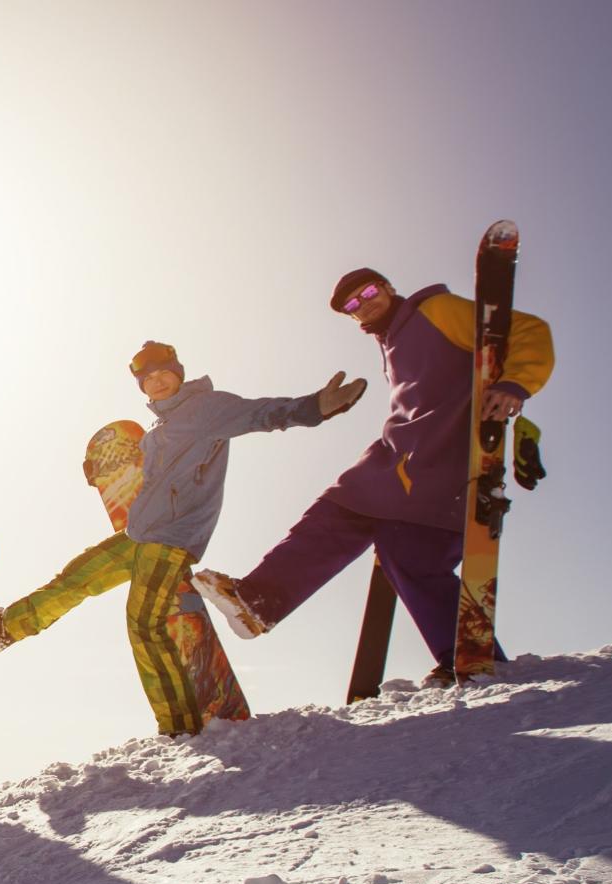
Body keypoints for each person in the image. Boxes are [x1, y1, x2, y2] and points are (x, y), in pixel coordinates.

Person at [0, 342, 364, 736]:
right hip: (138, 535)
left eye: (164, 374)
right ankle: (8, 628)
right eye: (148, 380)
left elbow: (258, 413)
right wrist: (102, 468)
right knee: (77, 577)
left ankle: (180, 725)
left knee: (145, 624)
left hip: (171, 538)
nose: (157, 383)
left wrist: (316, 407)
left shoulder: (205, 409)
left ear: (179, 373)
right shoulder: (158, 429)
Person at [193, 269, 554, 686]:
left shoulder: (434, 310)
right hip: (404, 455)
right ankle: (466, 655)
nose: (363, 303)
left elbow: (529, 330)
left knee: (367, 524)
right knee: (396, 547)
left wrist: (514, 385)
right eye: (353, 304)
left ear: (386, 287)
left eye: (368, 292)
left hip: (438, 455)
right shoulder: (391, 341)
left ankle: (263, 598)